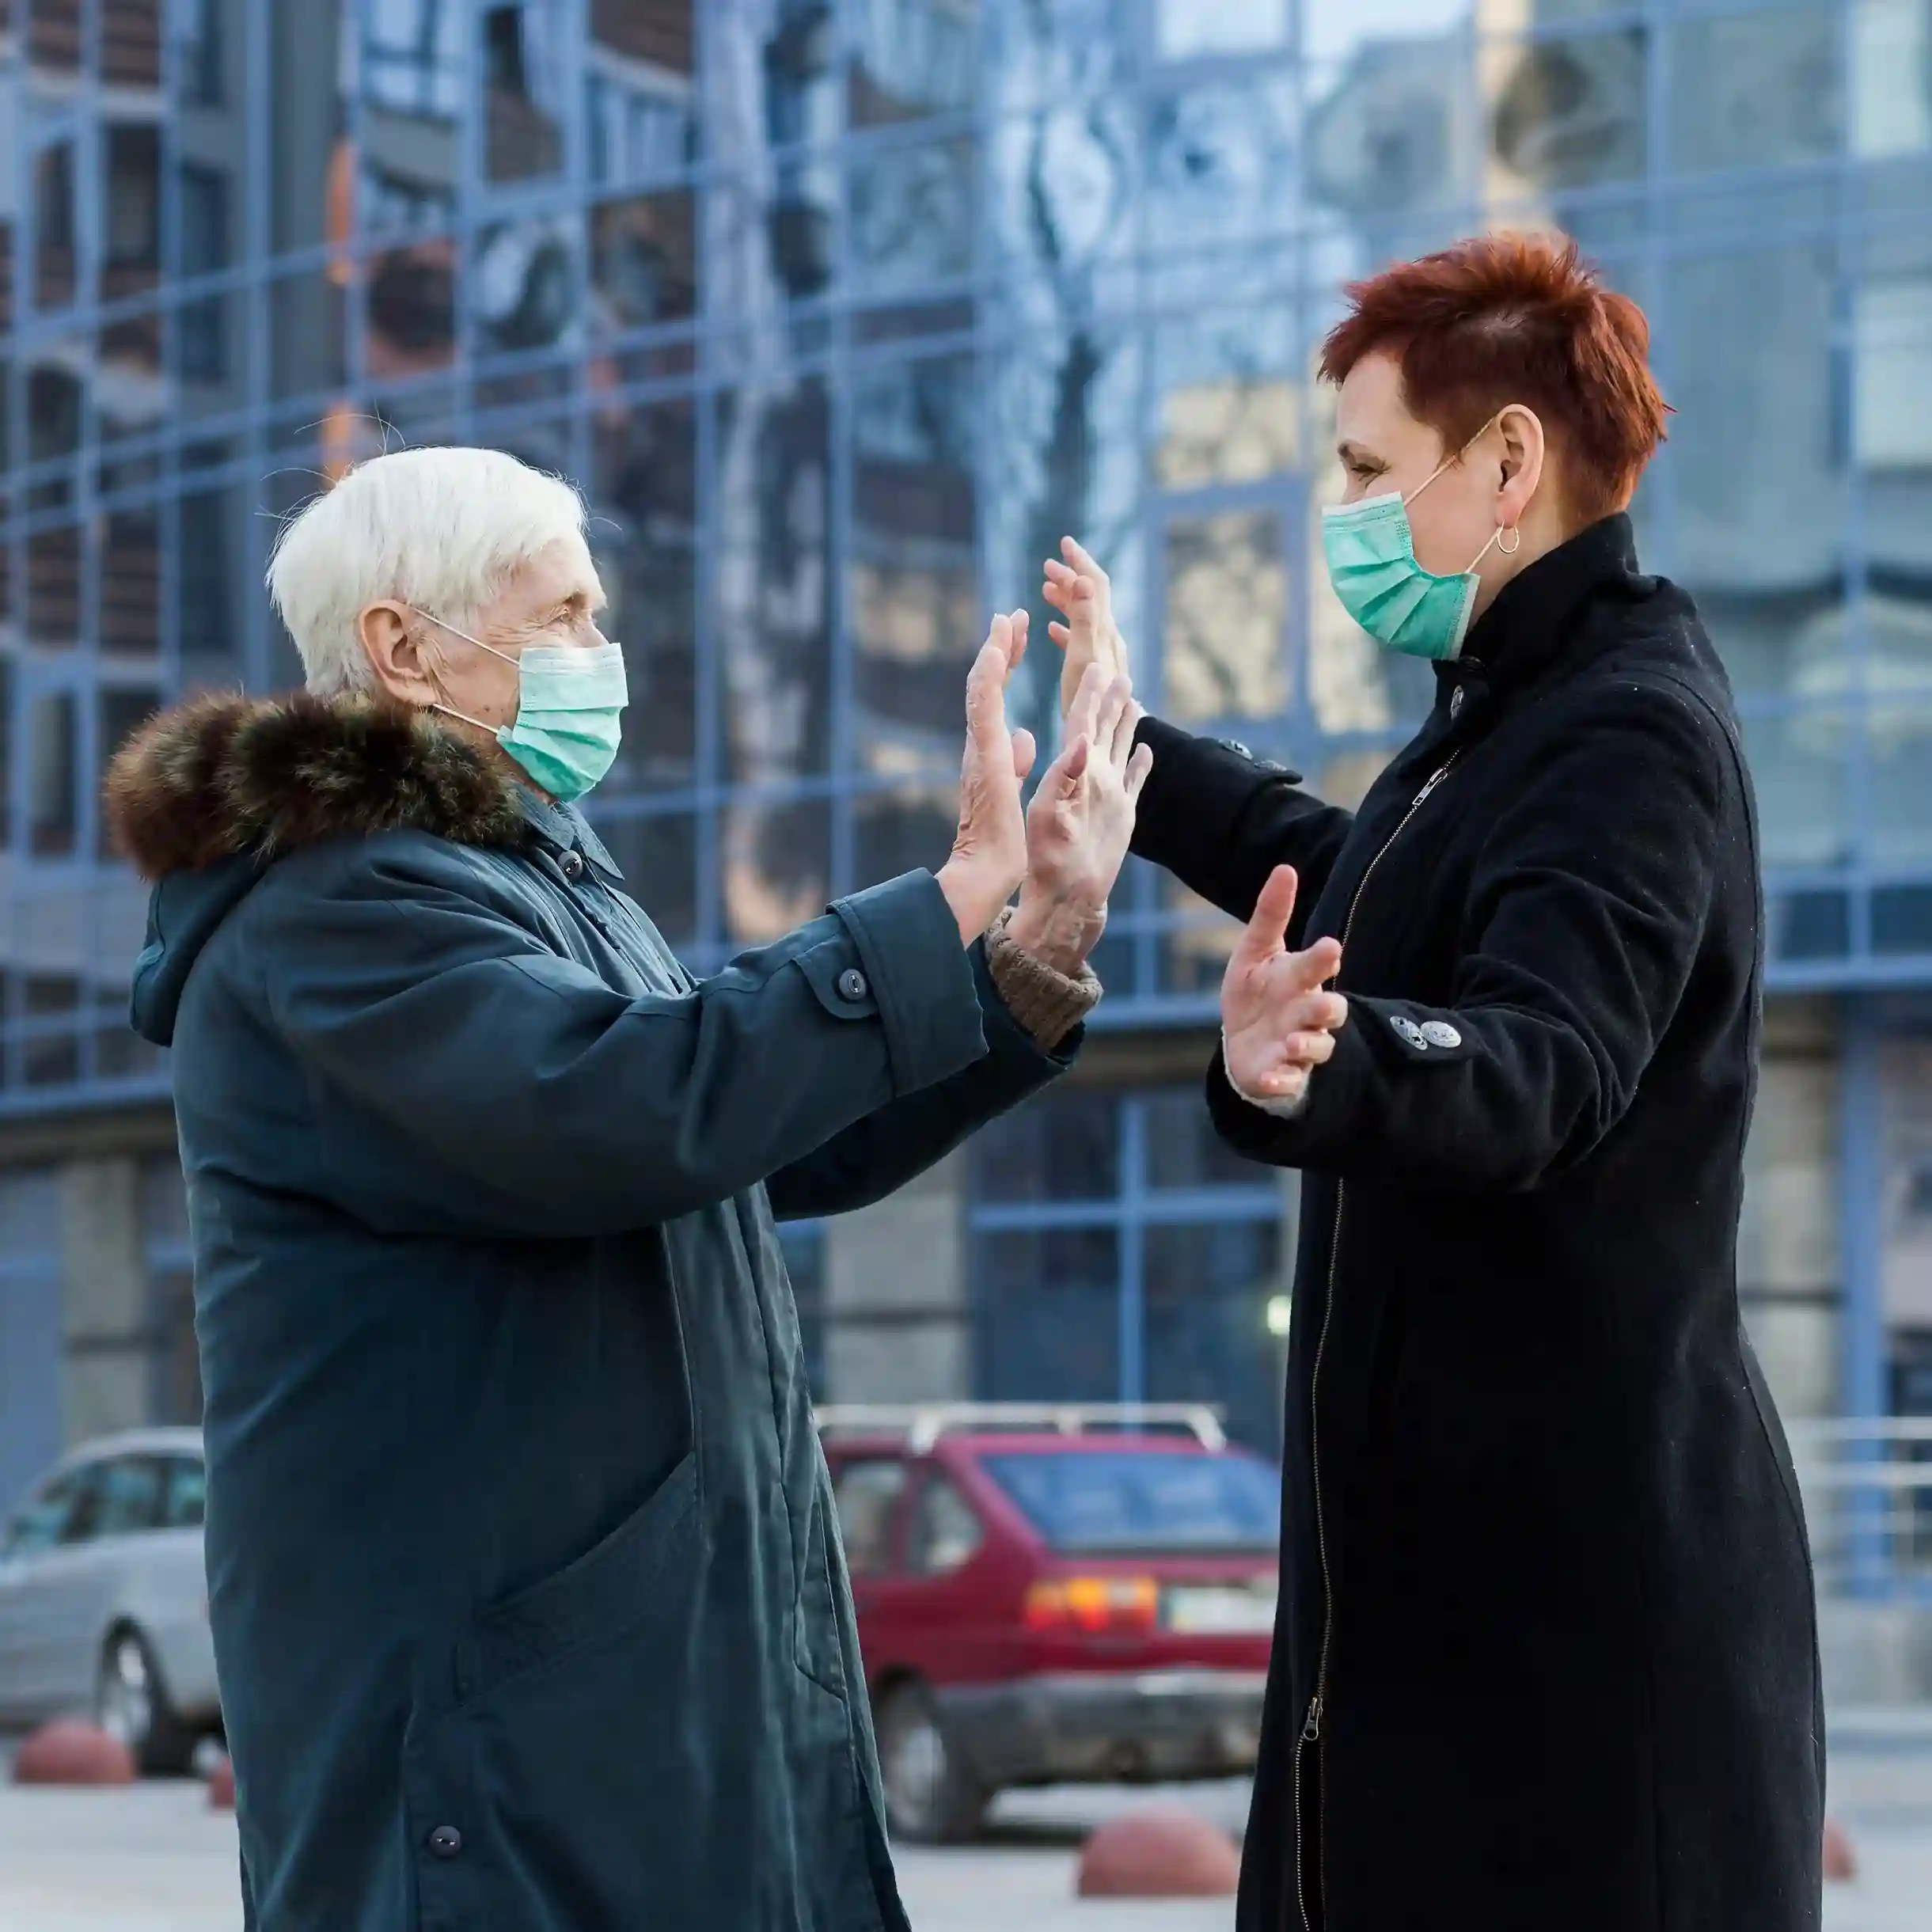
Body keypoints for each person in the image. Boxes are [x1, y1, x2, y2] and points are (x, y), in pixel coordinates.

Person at [103, 445, 1152, 1932]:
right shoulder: (340, 905)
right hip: (497, 1763)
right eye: (565, 617)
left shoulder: (526, 877)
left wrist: (1035, 947)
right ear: (404, 648)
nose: (605, 657)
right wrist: (955, 888)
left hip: (628, 1723)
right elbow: (633, 1106)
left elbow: (751, 1137)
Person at [1044, 235, 1821, 1932]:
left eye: (1364, 470)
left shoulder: (1626, 731)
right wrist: (1132, 747)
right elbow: (1364, 874)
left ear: (1507, 464)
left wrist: (1319, 1056)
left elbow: (1545, 1057)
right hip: (1442, 1612)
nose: (1342, 514)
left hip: (1576, 1648)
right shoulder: (1503, 718)